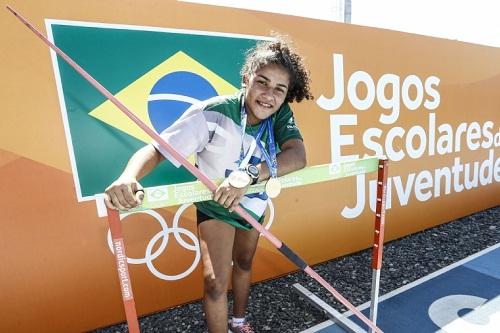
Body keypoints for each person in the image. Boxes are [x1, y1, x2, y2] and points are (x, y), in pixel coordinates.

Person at [104, 35, 313, 333]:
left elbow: (298, 156)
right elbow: (156, 150)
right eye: (262, 82)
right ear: (246, 79)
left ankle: (239, 322)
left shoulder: (280, 114)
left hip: (253, 204)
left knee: (243, 263)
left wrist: (249, 176)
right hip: (216, 208)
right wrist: (129, 177)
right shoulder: (212, 111)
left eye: (279, 89)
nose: (269, 95)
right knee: (215, 283)